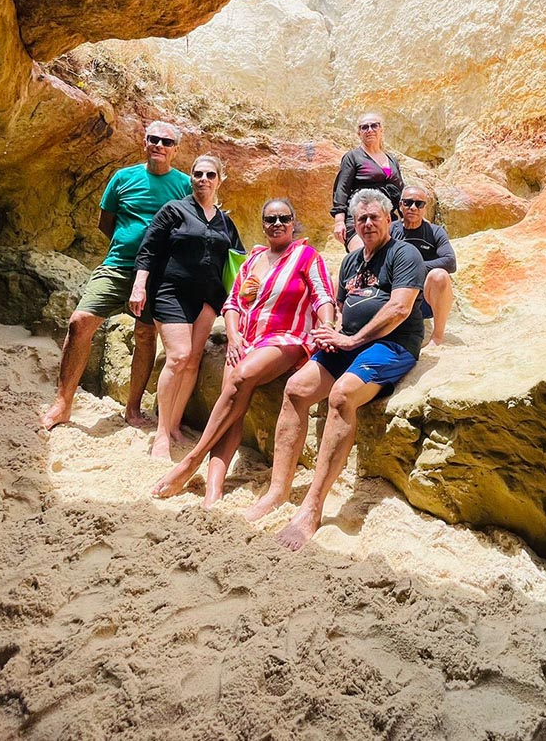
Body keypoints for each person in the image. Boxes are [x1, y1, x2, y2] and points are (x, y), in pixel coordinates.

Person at [245, 189, 425, 549]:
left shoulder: (404, 254)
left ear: (389, 219)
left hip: (393, 344)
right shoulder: (352, 261)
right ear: (353, 224)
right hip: (349, 341)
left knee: (342, 395)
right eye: (361, 219)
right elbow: (341, 309)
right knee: (296, 389)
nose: (368, 224)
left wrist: (352, 339)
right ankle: (278, 490)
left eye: (374, 217)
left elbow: (399, 309)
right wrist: (331, 334)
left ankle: (312, 507)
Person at [150, 198, 336, 504]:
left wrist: (327, 325)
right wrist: (234, 336)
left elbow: (322, 295)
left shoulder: (306, 255)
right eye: (270, 219)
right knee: (231, 413)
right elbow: (233, 302)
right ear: (263, 225)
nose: (277, 224)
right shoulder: (254, 259)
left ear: (294, 222)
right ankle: (213, 489)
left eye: (284, 218)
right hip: (245, 340)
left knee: (240, 378)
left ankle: (190, 462)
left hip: (285, 338)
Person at [40, 122, 191, 431]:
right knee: (79, 322)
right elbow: (105, 222)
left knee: (145, 335)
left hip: (158, 274)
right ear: (144, 143)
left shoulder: (185, 185)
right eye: (154, 139)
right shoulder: (123, 178)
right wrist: (129, 244)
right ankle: (62, 404)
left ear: (175, 150)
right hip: (117, 266)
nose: (159, 145)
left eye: (167, 142)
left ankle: (132, 408)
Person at [130, 155, 244, 461]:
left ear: (220, 180)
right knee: (179, 356)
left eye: (210, 174)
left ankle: (175, 424)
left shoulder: (225, 222)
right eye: (198, 174)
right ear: (191, 178)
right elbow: (148, 248)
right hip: (171, 291)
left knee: (192, 361)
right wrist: (139, 285)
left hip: (208, 297)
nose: (203, 179)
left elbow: (240, 261)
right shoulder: (174, 210)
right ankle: (161, 433)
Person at [390, 184, 456, 346]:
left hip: (424, 299)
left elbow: (450, 261)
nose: (413, 208)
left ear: (425, 208)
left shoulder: (435, 232)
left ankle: (437, 337)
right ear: (400, 205)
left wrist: (414, 268)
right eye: (408, 203)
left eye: (419, 204)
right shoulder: (390, 230)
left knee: (439, 276)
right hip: (395, 294)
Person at [331, 112, 403, 252]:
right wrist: (339, 221)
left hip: (387, 218)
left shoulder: (392, 160)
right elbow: (342, 189)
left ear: (382, 130)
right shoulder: (352, 157)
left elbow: (400, 191)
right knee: (363, 255)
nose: (370, 130)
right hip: (361, 217)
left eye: (374, 126)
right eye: (364, 127)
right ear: (359, 133)